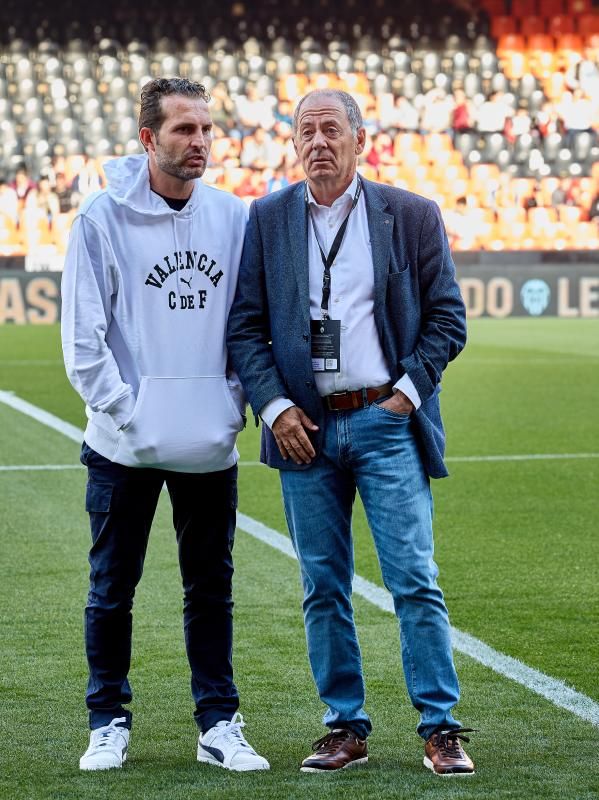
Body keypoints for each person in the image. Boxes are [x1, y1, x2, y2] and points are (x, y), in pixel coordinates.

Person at [227, 89, 474, 776]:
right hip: (303, 430)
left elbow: (447, 320)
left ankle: (440, 726)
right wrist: (275, 408)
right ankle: (343, 727)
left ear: (359, 140)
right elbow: (245, 326)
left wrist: (404, 395)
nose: (317, 143)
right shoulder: (268, 217)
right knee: (321, 587)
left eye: (330, 130)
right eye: (305, 131)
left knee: (414, 579)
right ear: (293, 142)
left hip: (382, 421)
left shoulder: (410, 215)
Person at [61, 77, 269, 774]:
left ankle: (218, 723)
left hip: (209, 445)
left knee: (211, 589)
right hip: (122, 446)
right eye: (184, 129)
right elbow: (83, 344)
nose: (200, 141)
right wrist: (132, 414)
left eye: (206, 128)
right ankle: (107, 720)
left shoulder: (234, 218)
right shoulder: (100, 219)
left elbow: (249, 328)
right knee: (111, 588)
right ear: (149, 139)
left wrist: (227, 407)